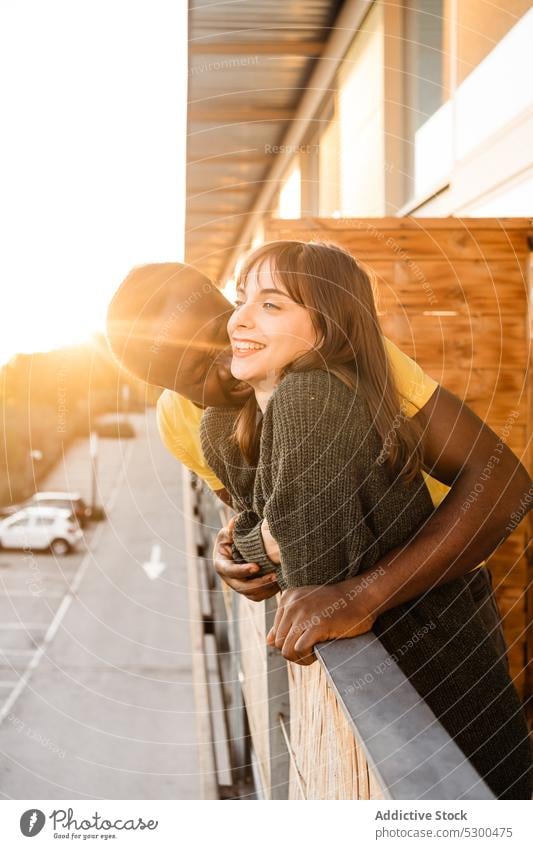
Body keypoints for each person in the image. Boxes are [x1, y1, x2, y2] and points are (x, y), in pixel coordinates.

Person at [196, 239, 532, 799]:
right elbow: (276, 545)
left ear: (325, 331)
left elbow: (308, 570)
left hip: (434, 675)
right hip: (403, 687)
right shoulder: (251, 415)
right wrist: (262, 543)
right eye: (241, 299)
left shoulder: (313, 398)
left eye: (272, 304)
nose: (239, 320)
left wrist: (354, 593)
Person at [106, 259, 530, 673]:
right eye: (201, 371)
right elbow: (272, 522)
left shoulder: (331, 348)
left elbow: (504, 485)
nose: (233, 357)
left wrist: (361, 598)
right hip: (328, 618)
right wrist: (233, 554)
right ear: (168, 389)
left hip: (437, 585)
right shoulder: (183, 422)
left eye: (225, 329)